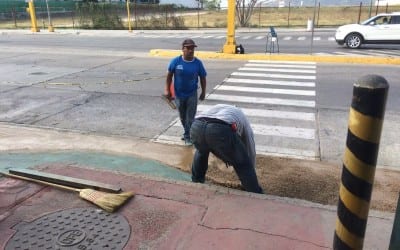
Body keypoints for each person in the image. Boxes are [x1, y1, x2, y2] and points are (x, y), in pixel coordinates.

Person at [190, 104, 263, 194]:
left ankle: (196, 181)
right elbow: (249, 145)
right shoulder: (242, 116)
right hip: (219, 129)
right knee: (243, 164)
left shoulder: (219, 107)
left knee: (202, 150)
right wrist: (250, 165)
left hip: (196, 125)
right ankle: (255, 192)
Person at [165, 39, 207, 146]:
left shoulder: (198, 63)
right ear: (183, 49)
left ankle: (188, 136)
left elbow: (203, 77)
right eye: (188, 48)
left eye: (192, 48)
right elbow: (169, 76)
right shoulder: (176, 61)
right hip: (179, 94)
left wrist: (203, 91)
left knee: (190, 117)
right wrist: (167, 90)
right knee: (183, 117)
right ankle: (187, 132)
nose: (191, 50)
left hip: (192, 94)